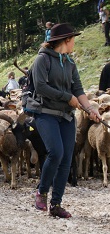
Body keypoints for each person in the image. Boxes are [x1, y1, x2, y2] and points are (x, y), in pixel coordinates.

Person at [26, 24, 101, 218]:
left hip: (66, 116)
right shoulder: (42, 60)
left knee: (67, 157)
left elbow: (79, 90)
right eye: (73, 39)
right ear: (66, 40)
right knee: (56, 152)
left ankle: (56, 204)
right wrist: (66, 98)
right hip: (45, 113)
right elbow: (41, 87)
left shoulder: (70, 63)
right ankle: (42, 192)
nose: (75, 42)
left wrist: (90, 109)